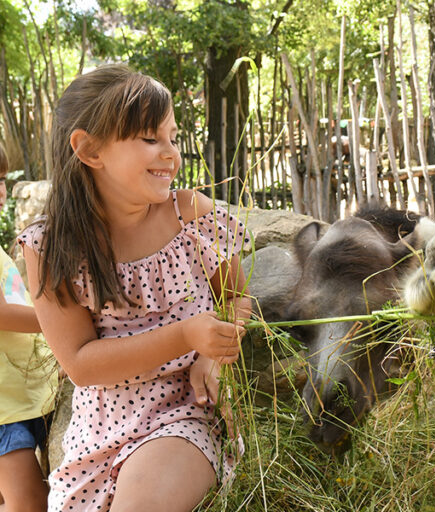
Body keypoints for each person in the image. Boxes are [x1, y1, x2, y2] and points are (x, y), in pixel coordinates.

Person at [19, 64, 251, 512]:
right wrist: (184, 333)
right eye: (150, 139)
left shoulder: (191, 215)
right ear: (89, 150)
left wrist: (213, 350)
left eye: (174, 138)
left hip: (186, 412)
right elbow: (82, 365)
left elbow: (241, 299)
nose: (171, 155)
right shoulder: (49, 246)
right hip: (98, 432)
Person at [0, 142, 58, 512]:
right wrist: (60, 322)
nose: (0, 189)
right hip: (4, 409)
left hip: (34, 392)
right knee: (27, 503)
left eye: (1, 178)